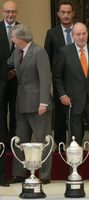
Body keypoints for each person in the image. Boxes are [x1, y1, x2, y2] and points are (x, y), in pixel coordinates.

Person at [53, 22, 89, 183]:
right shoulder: (64, 52)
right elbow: (57, 76)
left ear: (87, 34)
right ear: (73, 35)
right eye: (78, 34)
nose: (81, 36)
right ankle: (74, 171)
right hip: (73, 102)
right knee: (75, 139)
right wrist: (62, 95)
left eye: (84, 33)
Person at [8, 24, 53, 184]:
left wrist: (43, 102)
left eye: (13, 37)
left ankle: (45, 175)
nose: (12, 39)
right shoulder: (16, 52)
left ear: (21, 38)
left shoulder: (39, 51)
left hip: (38, 104)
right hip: (21, 103)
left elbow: (45, 78)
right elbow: (9, 66)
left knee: (43, 139)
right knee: (20, 139)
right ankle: (19, 173)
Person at [44, 0, 75, 148]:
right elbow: (47, 57)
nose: (66, 15)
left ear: (73, 13)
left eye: (69, 12)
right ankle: (61, 144)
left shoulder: (81, 31)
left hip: (79, 79)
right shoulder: (52, 33)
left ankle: (76, 143)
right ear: (58, 14)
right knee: (60, 114)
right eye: (63, 12)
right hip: (59, 80)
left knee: (77, 112)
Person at [0, 0, 19, 187]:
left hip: (17, 82)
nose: (10, 15)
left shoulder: (23, 28)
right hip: (0, 82)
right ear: (2, 11)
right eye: (7, 11)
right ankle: (3, 147)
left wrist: (14, 71)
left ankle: (13, 153)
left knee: (16, 119)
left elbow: (26, 53)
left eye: (13, 11)